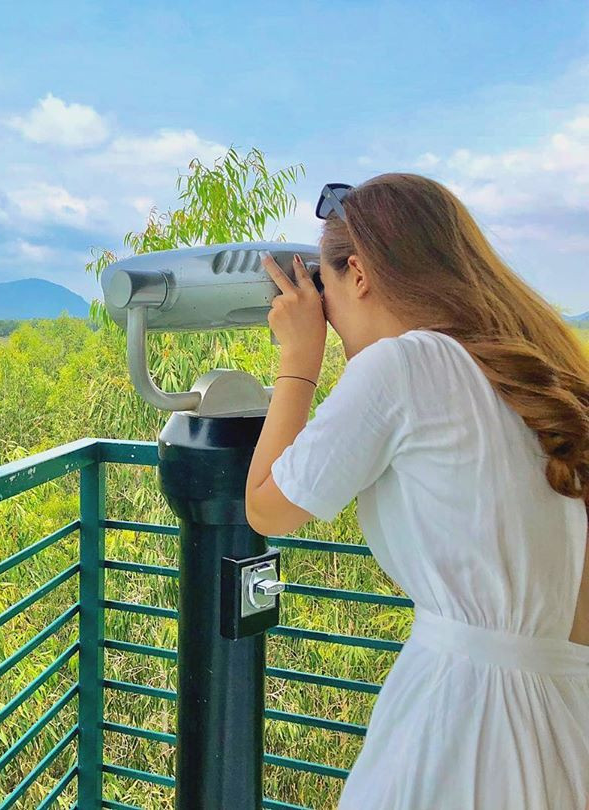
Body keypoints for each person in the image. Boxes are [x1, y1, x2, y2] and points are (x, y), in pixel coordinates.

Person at [243, 173, 589, 809]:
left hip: (464, 721)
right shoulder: (528, 370)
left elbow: (266, 506)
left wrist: (298, 360)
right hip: (567, 712)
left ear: (361, 273)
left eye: (329, 291)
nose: (333, 318)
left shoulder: (406, 363)